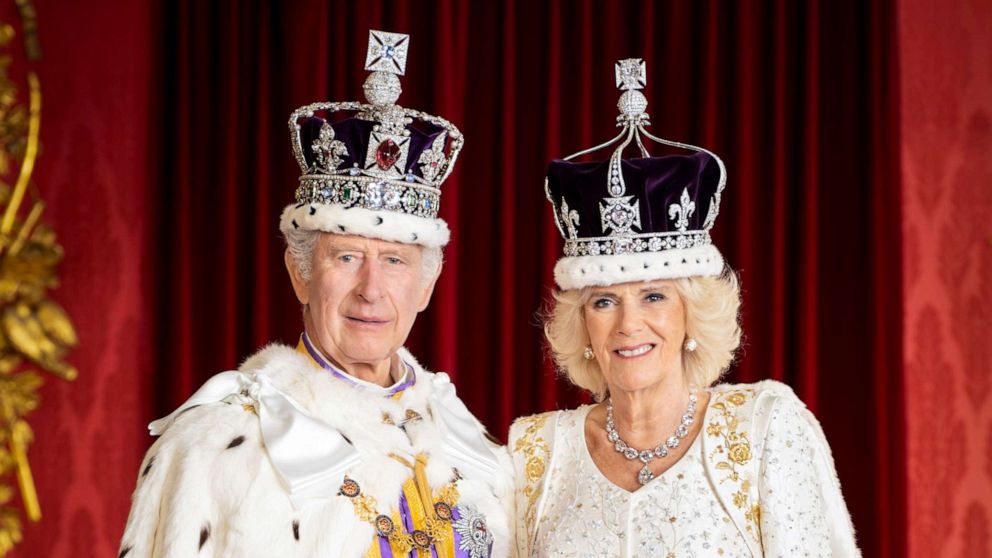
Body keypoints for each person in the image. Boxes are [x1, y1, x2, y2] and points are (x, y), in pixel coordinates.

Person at [120, 30, 510, 558]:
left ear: (425, 287)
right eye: (346, 257)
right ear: (300, 273)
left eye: (395, 262)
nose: (371, 290)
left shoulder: (465, 438)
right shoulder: (220, 443)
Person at [508, 59, 859, 557]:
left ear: (691, 312)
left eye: (654, 296)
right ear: (582, 322)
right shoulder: (534, 452)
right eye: (605, 301)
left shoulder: (765, 428)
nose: (629, 325)